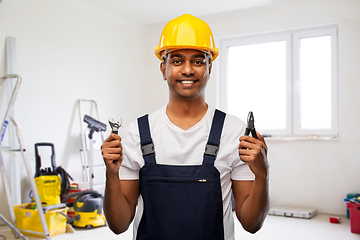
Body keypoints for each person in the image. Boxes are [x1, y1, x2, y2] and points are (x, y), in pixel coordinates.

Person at [101, 14, 269, 240]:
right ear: (163, 69)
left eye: (198, 61)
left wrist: (262, 174)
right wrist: (111, 174)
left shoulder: (234, 133)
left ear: (210, 68)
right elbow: (118, 225)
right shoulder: (135, 134)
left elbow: (251, 224)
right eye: (177, 60)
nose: (188, 70)